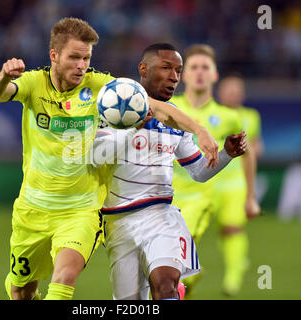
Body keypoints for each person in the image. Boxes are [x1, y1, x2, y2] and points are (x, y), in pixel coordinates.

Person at [0, 17, 219, 300]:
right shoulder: (33, 83)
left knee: (65, 276)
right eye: (74, 57)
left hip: (81, 210)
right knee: (22, 291)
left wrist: (200, 130)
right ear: (54, 56)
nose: (82, 65)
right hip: (33, 208)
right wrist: (4, 76)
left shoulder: (101, 87)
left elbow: (159, 108)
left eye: (86, 58)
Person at [92, 43, 247, 300]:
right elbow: (97, 158)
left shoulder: (176, 121)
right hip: (118, 221)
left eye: (178, 70)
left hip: (161, 216)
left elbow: (198, 171)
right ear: (143, 68)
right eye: (166, 68)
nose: (174, 76)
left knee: (166, 285)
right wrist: (133, 126)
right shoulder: (114, 103)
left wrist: (226, 155)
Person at [170, 45, 261, 298]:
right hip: (165, 196)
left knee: (172, 259)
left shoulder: (227, 117)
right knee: (164, 266)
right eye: (194, 67)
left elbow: (247, 152)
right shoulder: (169, 109)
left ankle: (190, 277)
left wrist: (250, 196)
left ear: (214, 75)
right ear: (182, 75)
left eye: (205, 67)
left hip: (200, 197)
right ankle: (192, 276)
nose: (199, 72)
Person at [217, 75, 263, 161]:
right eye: (230, 92)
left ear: (243, 94)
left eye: (237, 92)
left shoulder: (252, 115)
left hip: (242, 171)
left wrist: (249, 151)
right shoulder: (213, 115)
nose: (233, 96)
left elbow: (257, 145)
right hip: (217, 170)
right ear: (220, 93)